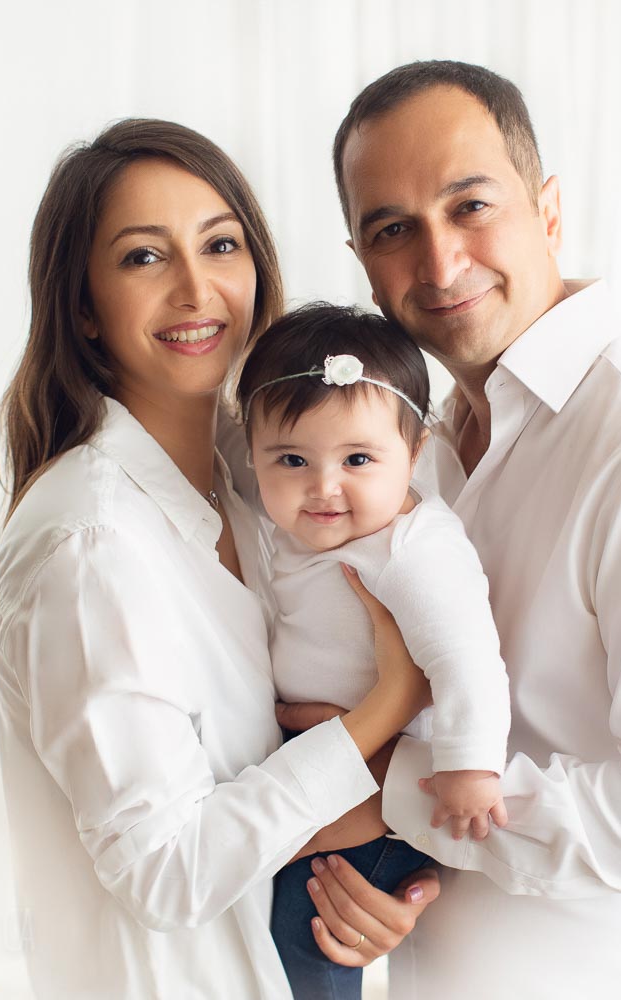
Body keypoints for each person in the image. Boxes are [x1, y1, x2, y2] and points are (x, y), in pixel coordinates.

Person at [282, 60, 621, 997]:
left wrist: (389, 785)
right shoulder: (409, 442)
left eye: (470, 206)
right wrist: (394, 867)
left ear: (547, 211)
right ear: (362, 260)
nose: (439, 262)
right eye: (394, 230)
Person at [0, 118, 438, 999]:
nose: (197, 289)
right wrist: (387, 707)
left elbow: (267, 774)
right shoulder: (92, 544)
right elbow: (166, 872)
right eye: (144, 258)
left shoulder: (254, 483)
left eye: (220, 245)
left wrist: (379, 878)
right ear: (82, 306)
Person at [235, 303, 511, 999]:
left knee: (312, 945)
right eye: (291, 460)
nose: (324, 486)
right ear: (253, 456)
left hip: (370, 808)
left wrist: (469, 766)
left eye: (358, 459)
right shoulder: (301, 533)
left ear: (413, 455)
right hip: (325, 773)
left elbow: (467, 657)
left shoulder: (411, 548)